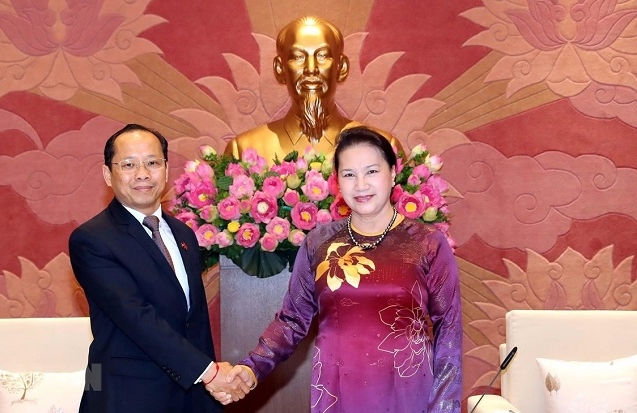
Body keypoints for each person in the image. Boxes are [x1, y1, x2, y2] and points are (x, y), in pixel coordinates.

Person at [218, 126, 463, 412]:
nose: (361, 185)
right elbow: (292, 320)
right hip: (337, 393)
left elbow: (449, 330)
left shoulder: (427, 243)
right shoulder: (319, 243)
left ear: (393, 174)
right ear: (337, 183)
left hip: (408, 393)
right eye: (349, 174)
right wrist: (252, 368)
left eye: (371, 171)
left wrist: (444, 407)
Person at [68, 123, 250, 412]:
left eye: (152, 162)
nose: (142, 173)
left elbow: (194, 323)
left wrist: (209, 389)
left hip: (190, 395)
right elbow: (137, 318)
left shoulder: (184, 235)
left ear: (165, 170)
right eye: (129, 164)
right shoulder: (92, 239)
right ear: (108, 174)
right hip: (124, 397)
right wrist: (211, 373)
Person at [224, 16, 404, 161]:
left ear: (341, 67)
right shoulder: (243, 150)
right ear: (280, 69)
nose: (311, 69)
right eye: (298, 57)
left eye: (323, 56)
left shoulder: (385, 147)